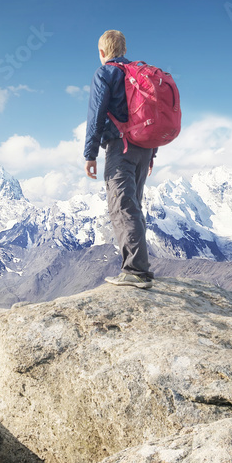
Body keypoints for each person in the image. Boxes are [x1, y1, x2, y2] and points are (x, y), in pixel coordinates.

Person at [83, 30, 156, 289]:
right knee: (133, 205)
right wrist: (152, 151)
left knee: (122, 207)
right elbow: (152, 114)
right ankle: (140, 270)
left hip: (120, 147)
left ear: (102, 52)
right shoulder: (140, 74)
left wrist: (90, 153)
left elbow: (96, 114)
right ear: (123, 49)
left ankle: (135, 272)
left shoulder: (105, 73)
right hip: (144, 147)